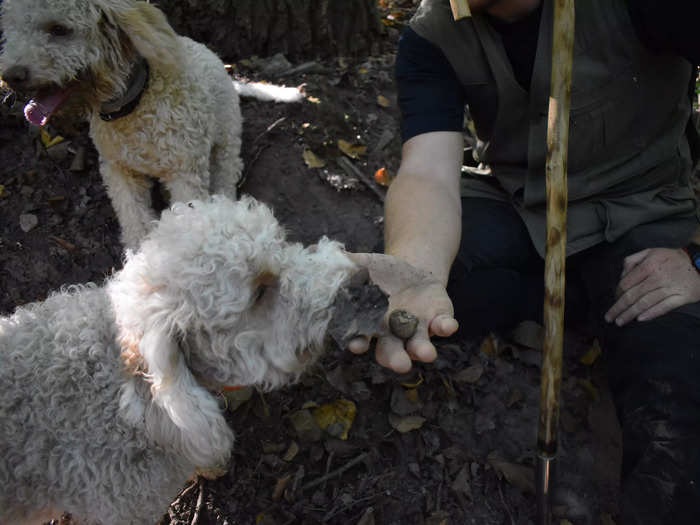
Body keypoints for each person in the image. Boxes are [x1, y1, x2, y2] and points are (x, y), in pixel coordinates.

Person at [348, 0, 700, 522]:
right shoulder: (431, 35)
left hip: (642, 216)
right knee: (432, 289)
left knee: (676, 412)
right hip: (523, 207)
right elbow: (427, 172)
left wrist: (696, 259)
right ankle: (580, 303)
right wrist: (416, 272)